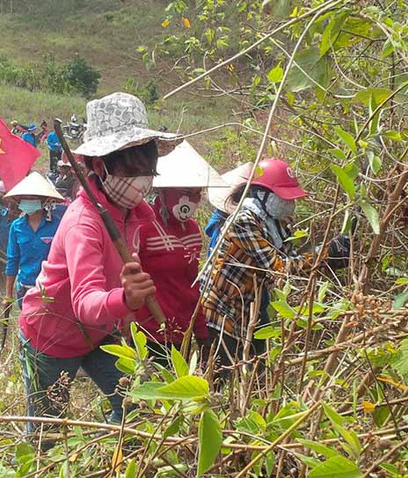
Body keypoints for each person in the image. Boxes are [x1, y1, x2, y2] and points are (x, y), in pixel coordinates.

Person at [18, 92, 180, 440]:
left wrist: (127, 314)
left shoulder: (133, 216)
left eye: (147, 170)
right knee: (49, 432)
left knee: (134, 410)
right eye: (131, 170)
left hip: (100, 334)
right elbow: (86, 301)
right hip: (51, 336)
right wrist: (126, 299)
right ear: (100, 166)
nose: (142, 180)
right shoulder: (83, 223)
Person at [200, 158, 349, 380]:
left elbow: (292, 257)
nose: (288, 204)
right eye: (282, 198)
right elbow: (278, 267)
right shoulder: (243, 222)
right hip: (221, 311)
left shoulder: (275, 223)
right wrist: (326, 254)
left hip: (250, 309)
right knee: (220, 379)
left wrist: (327, 252)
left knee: (257, 376)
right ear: (261, 194)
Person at [132, 141, 225, 364]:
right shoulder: (142, 226)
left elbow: (191, 285)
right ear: (163, 191)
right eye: (185, 192)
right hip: (150, 331)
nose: (190, 200)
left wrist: (201, 331)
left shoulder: (192, 229)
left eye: (196, 193)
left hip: (182, 331)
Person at [4, 172, 64, 307]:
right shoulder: (17, 227)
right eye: (25, 198)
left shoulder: (58, 225)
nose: (28, 201)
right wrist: (8, 294)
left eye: (32, 198)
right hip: (25, 287)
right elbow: (12, 260)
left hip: (51, 288)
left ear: (43, 201)